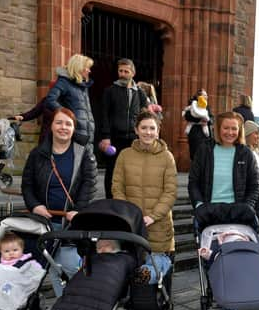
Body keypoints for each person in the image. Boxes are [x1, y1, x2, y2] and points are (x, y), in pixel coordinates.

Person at [21, 107, 97, 297]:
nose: (64, 127)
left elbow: (90, 183)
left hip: (69, 223)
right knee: (54, 270)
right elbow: (27, 185)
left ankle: (78, 306)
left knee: (70, 267)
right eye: (59, 122)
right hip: (43, 222)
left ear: (74, 128)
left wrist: (78, 209)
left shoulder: (83, 153)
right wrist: (35, 206)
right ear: (51, 126)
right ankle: (62, 309)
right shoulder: (37, 154)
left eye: (68, 124)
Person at [112, 110, 177, 282]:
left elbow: (170, 192)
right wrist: (128, 215)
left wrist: (153, 216)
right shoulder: (124, 155)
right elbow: (117, 188)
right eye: (144, 128)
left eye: (152, 128)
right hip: (131, 225)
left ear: (158, 131)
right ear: (136, 130)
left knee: (157, 265)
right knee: (131, 265)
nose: (148, 132)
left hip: (158, 226)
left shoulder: (167, 157)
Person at [98, 58, 150, 199]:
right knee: (112, 171)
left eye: (126, 71)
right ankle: (110, 199)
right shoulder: (110, 91)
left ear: (132, 73)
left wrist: (144, 135)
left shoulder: (140, 93)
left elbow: (145, 115)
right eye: (120, 71)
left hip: (133, 139)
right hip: (114, 139)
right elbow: (104, 115)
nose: (122, 74)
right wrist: (106, 136)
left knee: (132, 171)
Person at [188, 111, 259, 210]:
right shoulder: (204, 150)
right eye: (226, 128)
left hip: (237, 213)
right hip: (208, 211)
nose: (230, 133)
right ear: (218, 129)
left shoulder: (246, 153)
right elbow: (193, 182)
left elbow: (254, 185)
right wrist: (199, 204)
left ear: (239, 131)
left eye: (234, 129)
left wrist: (246, 207)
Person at [44, 54, 95, 146]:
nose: (89, 71)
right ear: (79, 67)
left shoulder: (83, 86)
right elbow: (50, 100)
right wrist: (67, 116)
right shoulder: (64, 82)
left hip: (87, 134)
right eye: (87, 67)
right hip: (73, 133)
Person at [244, 120, 259, 235]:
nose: (258, 137)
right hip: (253, 189)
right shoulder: (246, 151)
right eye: (255, 134)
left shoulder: (257, 151)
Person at [184, 88, 213, 160]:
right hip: (195, 133)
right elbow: (187, 116)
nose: (207, 97)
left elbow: (212, 118)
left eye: (207, 95)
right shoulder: (193, 105)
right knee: (196, 154)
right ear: (198, 97)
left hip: (205, 135)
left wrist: (208, 121)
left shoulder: (207, 107)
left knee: (205, 155)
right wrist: (200, 119)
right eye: (205, 95)